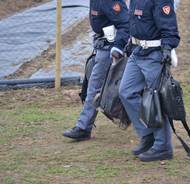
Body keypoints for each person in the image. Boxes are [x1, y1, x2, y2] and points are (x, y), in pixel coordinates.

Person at [119, 0, 180, 162]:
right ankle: (148, 135)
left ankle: (163, 147)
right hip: (137, 51)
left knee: (156, 101)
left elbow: (169, 25)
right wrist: (129, 43)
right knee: (126, 91)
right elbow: (135, 22)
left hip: (154, 54)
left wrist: (168, 48)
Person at [63, 0, 129, 141]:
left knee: (94, 89)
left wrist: (117, 47)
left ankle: (83, 127)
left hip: (109, 49)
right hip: (102, 46)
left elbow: (125, 23)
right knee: (100, 88)